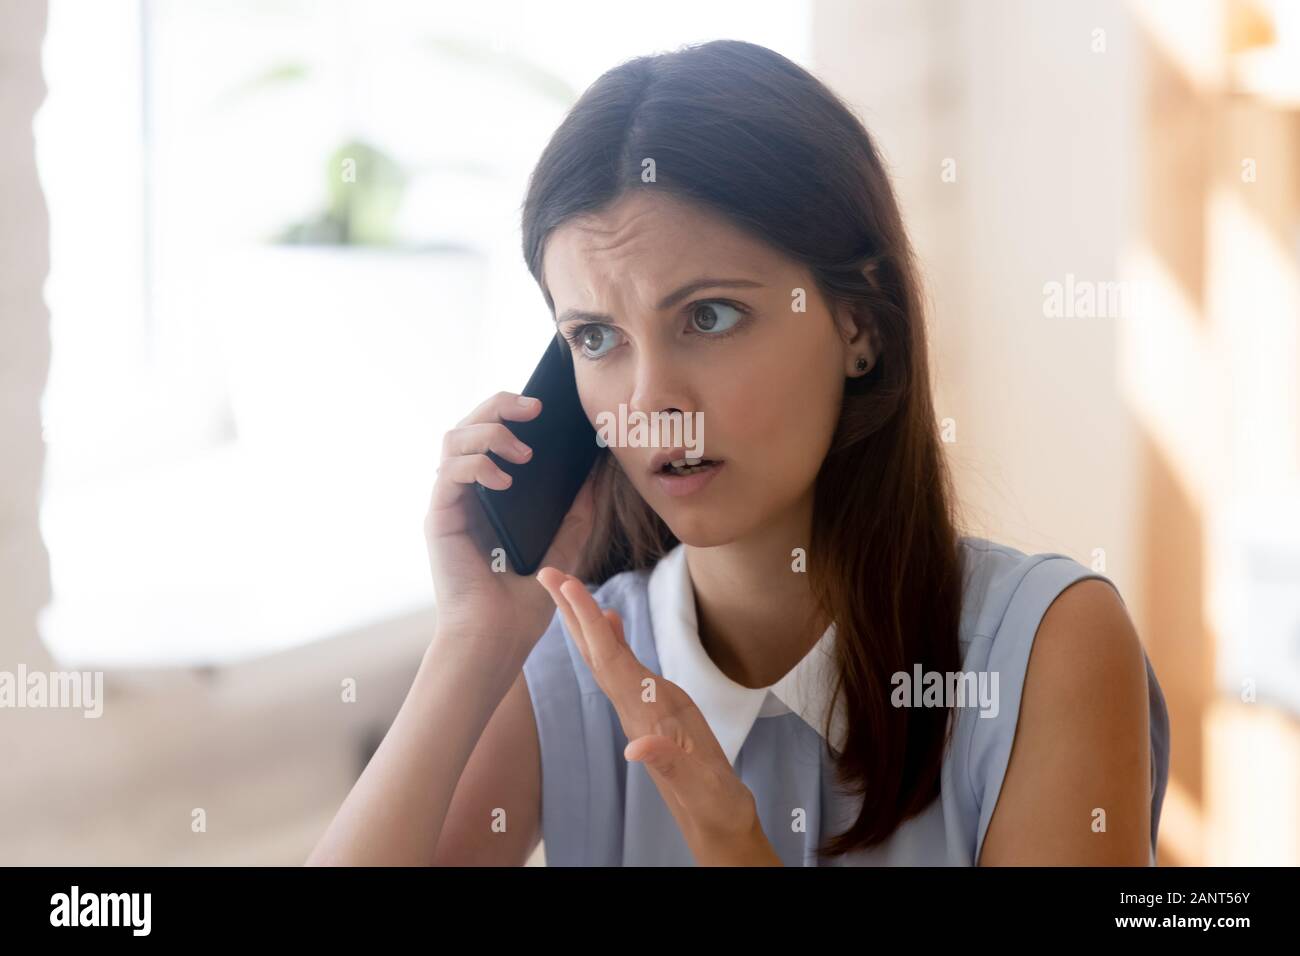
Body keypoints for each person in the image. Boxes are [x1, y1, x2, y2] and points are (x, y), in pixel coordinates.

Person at [306, 38, 1170, 867]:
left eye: (708, 316)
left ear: (859, 322)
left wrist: (732, 844)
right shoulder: (563, 666)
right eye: (597, 336)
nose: (651, 407)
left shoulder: (1044, 647)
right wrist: (471, 641)